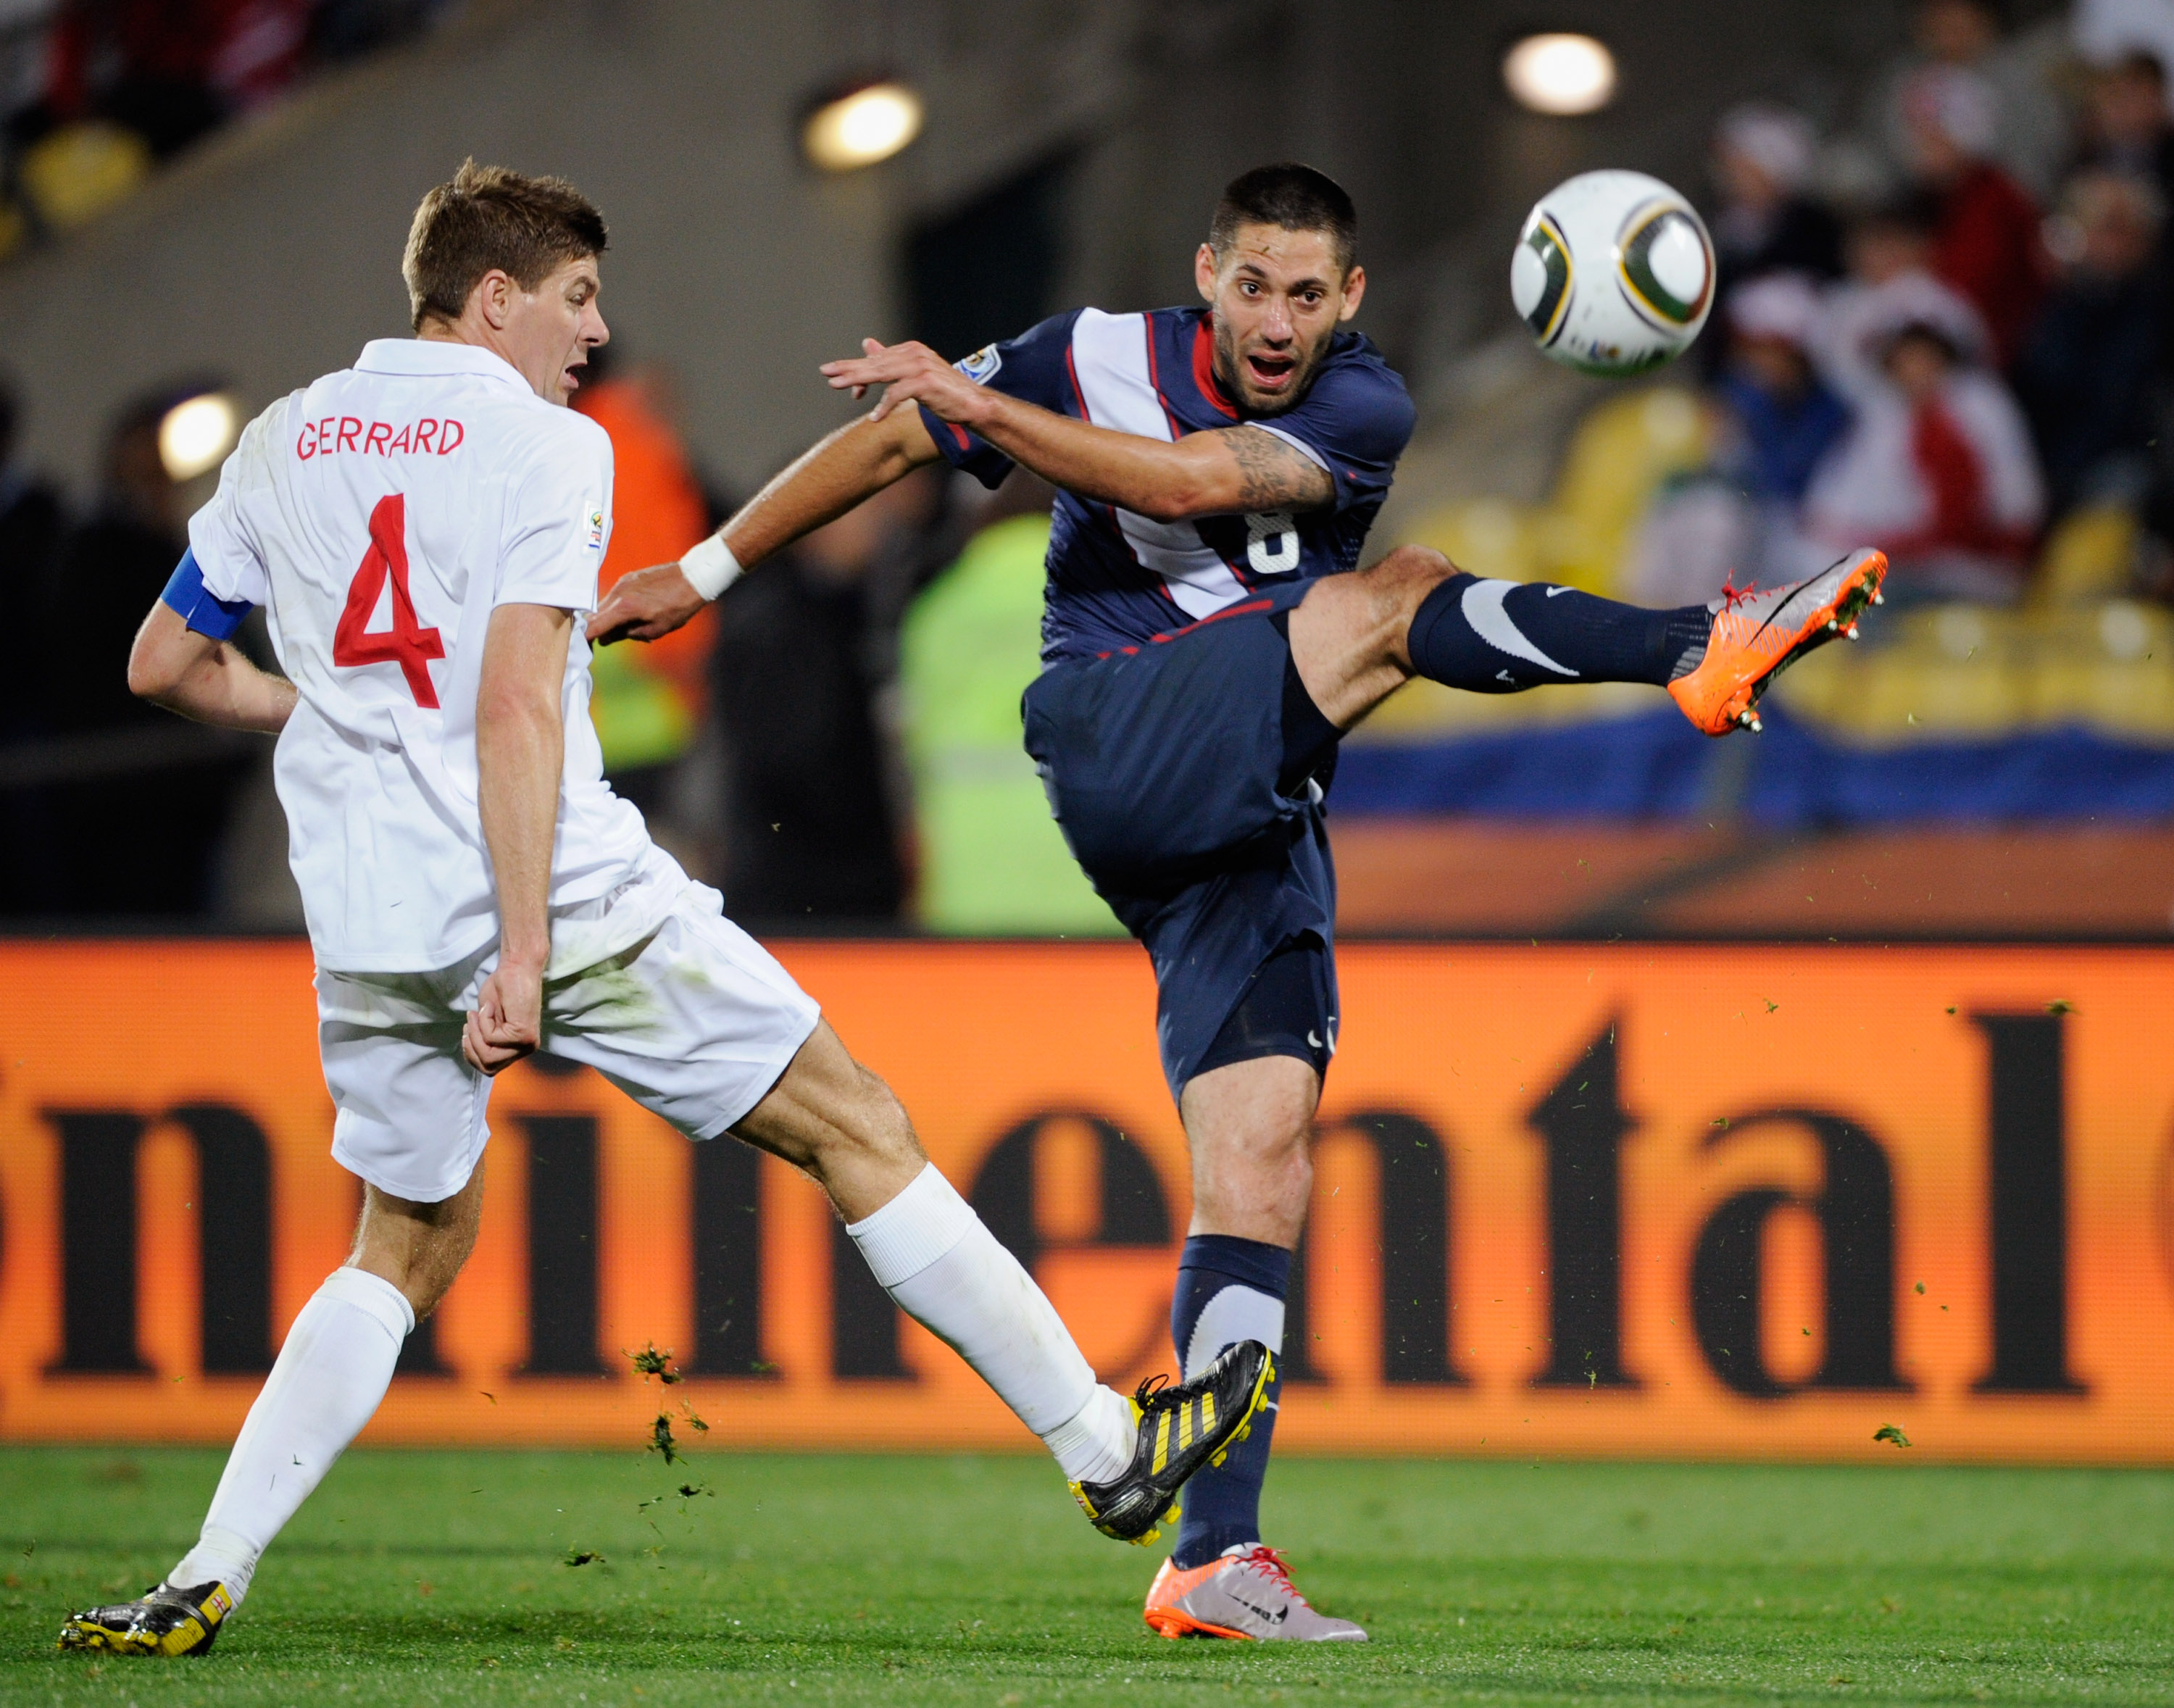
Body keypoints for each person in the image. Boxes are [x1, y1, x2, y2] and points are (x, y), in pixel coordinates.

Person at [591, 162, 1890, 1642]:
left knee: (1263, 1159)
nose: (1278, 317)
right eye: (1253, 283)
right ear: (1208, 272)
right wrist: (699, 566)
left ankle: (1211, 1556)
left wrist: (986, 408)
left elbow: (1196, 481)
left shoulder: (1362, 405)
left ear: (1350, 300)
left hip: (1248, 800)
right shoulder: (1091, 351)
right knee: (1400, 591)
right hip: (1117, 723)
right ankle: (1696, 649)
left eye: (1308, 291)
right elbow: (895, 438)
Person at [59, 160, 1267, 1661]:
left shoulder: (282, 439)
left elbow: (161, 666)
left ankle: (203, 1567)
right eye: (575, 296)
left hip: (366, 919)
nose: (594, 327)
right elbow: (513, 706)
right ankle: (1106, 1450)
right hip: (554, 892)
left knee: (402, 1240)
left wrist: (326, 715)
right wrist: (520, 941)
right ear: (494, 296)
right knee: (856, 1122)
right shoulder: (545, 448)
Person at [1806, 315, 2042, 603]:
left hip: (1979, 563)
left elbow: (2011, 508)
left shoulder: (1981, 406)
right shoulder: (1884, 415)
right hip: (1916, 560)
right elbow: (1834, 509)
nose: (1915, 369)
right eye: (1904, 360)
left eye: (1923, 357)